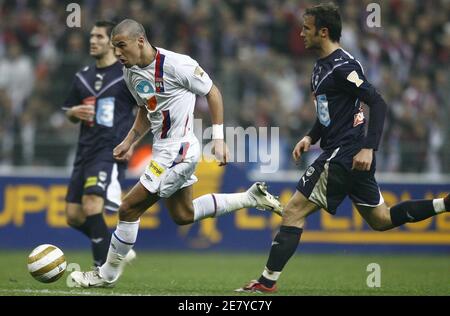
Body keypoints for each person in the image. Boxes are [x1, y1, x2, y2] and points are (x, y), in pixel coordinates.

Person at [236, 3, 450, 293]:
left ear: (323, 32)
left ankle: (265, 283)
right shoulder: (320, 67)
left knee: (293, 212)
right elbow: (327, 113)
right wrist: (311, 137)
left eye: (306, 29)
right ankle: (444, 205)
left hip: (345, 154)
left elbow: (378, 102)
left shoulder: (343, 66)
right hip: (346, 153)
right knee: (382, 219)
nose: (300, 34)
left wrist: (369, 148)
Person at [70, 19, 283, 288]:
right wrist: (130, 140)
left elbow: (213, 92)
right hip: (164, 149)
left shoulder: (177, 64)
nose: (118, 53)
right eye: (115, 48)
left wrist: (218, 139)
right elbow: (147, 109)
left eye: (121, 46)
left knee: (128, 208)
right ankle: (250, 197)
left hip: (179, 150)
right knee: (183, 214)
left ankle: (106, 274)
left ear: (140, 41)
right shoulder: (131, 73)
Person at [64, 21, 137, 267]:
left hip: (109, 150)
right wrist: (74, 112)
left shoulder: (125, 75)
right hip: (84, 150)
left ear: (112, 42)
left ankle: (100, 270)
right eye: (91, 36)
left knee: (93, 204)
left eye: (99, 36)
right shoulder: (82, 77)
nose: (92, 40)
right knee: (73, 216)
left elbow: (147, 109)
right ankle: (116, 250)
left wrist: (132, 140)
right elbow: (68, 113)